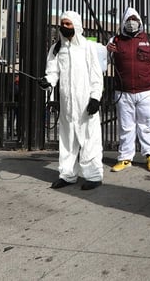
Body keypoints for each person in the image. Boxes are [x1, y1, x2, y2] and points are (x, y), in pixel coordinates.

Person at [39, 11, 105, 190]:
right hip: (67, 104)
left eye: (68, 24)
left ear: (76, 25)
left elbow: (96, 75)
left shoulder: (87, 47)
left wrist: (95, 98)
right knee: (67, 140)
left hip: (85, 103)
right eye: (62, 24)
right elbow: (52, 72)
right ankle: (67, 175)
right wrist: (47, 82)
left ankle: (93, 175)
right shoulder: (56, 48)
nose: (64, 27)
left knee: (89, 138)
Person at [106, 7, 150, 173]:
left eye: (135, 19)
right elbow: (103, 63)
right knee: (126, 126)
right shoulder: (115, 40)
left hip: (146, 91)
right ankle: (125, 158)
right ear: (124, 22)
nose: (132, 22)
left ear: (140, 22)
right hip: (123, 92)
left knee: (146, 125)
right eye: (129, 19)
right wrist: (108, 51)